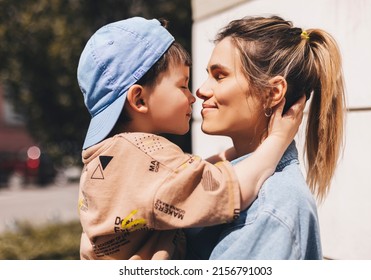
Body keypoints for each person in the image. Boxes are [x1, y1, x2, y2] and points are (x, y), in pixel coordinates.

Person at [76, 16, 304, 260]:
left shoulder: (116, 155)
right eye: (183, 85)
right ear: (139, 100)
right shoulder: (145, 156)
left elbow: (190, 172)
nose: (196, 94)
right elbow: (228, 191)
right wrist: (279, 138)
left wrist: (237, 154)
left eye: (220, 76)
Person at [185, 15, 345, 260]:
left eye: (220, 76)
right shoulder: (223, 171)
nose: (202, 90)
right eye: (208, 74)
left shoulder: (273, 207)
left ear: (273, 93)